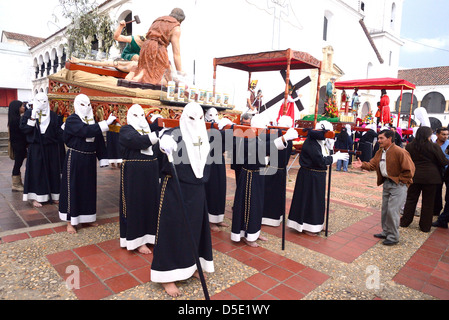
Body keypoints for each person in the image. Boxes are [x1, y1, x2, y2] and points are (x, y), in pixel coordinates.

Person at [151, 102, 214, 298]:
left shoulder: (205, 137)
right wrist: (164, 146)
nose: (196, 123)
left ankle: (190, 265)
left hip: (197, 191)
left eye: (199, 119)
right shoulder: (173, 135)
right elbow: (160, 148)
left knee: (194, 229)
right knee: (172, 229)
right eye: (191, 118)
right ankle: (166, 275)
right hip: (175, 190)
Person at [230, 114, 298, 246]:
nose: (267, 128)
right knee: (250, 205)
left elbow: (268, 142)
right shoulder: (247, 137)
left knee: (258, 205)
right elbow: (263, 147)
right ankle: (248, 235)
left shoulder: (258, 136)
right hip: (250, 176)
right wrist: (284, 138)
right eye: (265, 125)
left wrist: (282, 137)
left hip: (258, 174)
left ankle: (254, 231)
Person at [59, 94, 116, 234]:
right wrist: (105, 124)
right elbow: (85, 131)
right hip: (75, 158)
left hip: (89, 160)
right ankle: (70, 221)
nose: (86, 108)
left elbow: (99, 140)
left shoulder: (93, 122)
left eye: (88, 104)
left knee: (88, 188)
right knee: (73, 188)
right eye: (82, 104)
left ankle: (86, 217)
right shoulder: (73, 119)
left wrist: (103, 158)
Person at [353, 129, 415, 245]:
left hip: (398, 184)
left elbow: (410, 170)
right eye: (379, 138)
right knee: (385, 210)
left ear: (390, 139)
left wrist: (401, 181)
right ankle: (386, 232)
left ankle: (393, 237)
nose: (379, 140)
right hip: (387, 183)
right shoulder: (380, 152)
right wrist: (363, 165)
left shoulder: (400, 152)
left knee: (393, 211)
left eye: (381, 138)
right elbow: (372, 164)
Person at [287, 121, 349, 236]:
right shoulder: (311, 143)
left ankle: (317, 224)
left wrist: (330, 147)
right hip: (309, 176)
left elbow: (325, 155)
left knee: (318, 201)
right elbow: (320, 160)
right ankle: (307, 225)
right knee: (309, 200)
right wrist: (334, 158)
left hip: (318, 176)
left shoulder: (322, 142)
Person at [119, 104, 161, 254]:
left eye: (142, 115)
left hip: (151, 173)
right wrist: (157, 135)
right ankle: (137, 240)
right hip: (134, 175)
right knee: (135, 205)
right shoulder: (126, 130)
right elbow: (137, 141)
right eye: (135, 115)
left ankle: (150, 237)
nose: (140, 118)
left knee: (150, 204)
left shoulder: (149, 130)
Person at [400, 126, 449, 232]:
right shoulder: (434, 146)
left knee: (411, 199)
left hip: (415, 176)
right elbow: (443, 161)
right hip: (431, 177)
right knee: (428, 202)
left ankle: (405, 221)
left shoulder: (410, 146)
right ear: (428, 135)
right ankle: (425, 226)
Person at [20, 93, 64, 208]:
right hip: (36, 148)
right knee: (37, 171)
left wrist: (63, 128)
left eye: (44, 101)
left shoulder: (53, 115)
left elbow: (58, 132)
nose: (42, 104)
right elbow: (25, 129)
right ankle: (36, 197)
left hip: (51, 148)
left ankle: (53, 195)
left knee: (52, 170)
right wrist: (33, 119)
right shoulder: (29, 113)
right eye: (39, 101)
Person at [125, 8, 186, 86]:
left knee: (144, 67)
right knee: (163, 79)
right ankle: (138, 78)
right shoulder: (176, 28)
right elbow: (176, 54)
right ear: (180, 20)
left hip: (146, 46)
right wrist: (180, 72)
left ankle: (134, 77)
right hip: (158, 48)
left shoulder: (158, 20)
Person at [69, 20, 145, 73]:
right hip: (128, 58)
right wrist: (121, 26)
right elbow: (116, 37)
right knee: (136, 58)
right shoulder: (135, 40)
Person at [262, 115, 294, 227]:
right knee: (273, 195)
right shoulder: (284, 139)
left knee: (271, 195)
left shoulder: (278, 138)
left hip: (273, 170)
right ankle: (272, 218)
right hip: (278, 170)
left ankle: (269, 217)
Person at [204, 107, 229, 231]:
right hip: (209, 161)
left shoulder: (220, 128)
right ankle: (210, 220)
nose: (213, 116)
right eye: (211, 114)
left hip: (219, 160)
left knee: (220, 188)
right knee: (212, 189)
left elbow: (228, 144)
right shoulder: (204, 128)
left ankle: (218, 218)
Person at [8, 100, 27, 192]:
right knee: (18, 164)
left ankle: (18, 183)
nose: (24, 108)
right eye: (22, 106)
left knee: (18, 163)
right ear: (17, 108)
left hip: (17, 144)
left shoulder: (14, 119)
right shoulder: (17, 120)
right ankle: (15, 184)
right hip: (19, 144)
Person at [433, 127, 449, 217]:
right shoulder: (432, 144)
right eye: (443, 134)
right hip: (436, 171)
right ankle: (436, 210)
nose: (445, 136)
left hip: (447, 171)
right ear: (437, 135)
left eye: (447, 134)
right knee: (436, 191)